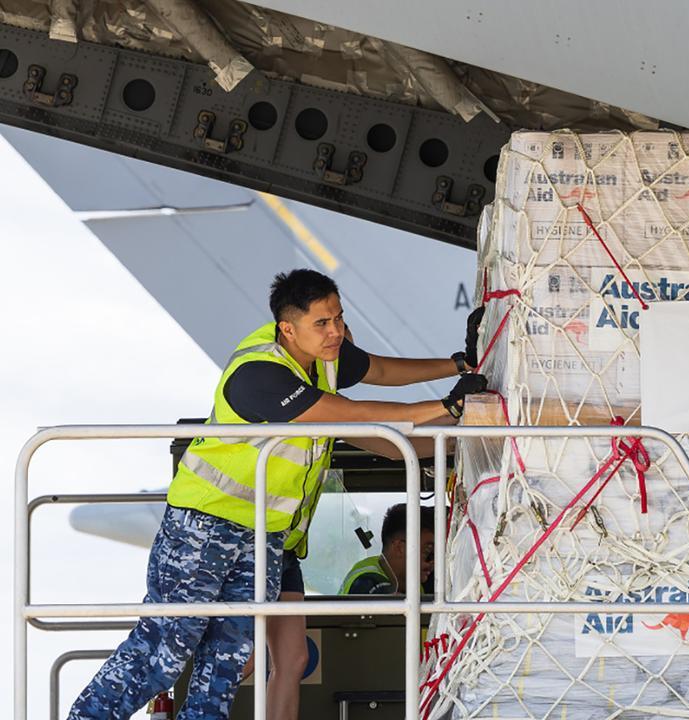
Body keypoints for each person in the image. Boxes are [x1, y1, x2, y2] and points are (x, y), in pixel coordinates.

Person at [67, 269, 488, 720]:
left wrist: (459, 364)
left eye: (339, 319)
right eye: (322, 324)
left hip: (266, 537)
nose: (336, 333)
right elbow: (351, 413)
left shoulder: (323, 356)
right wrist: (445, 407)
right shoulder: (259, 374)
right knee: (168, 645)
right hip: (207, 526)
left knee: (227, 660)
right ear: (288, 328)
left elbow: (379, 369)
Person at [341, 504, 435, 595]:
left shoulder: (414, 584)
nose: (434, 562)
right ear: (400, 548)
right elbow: (381, 599)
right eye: (429, 553)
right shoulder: (365, 579)